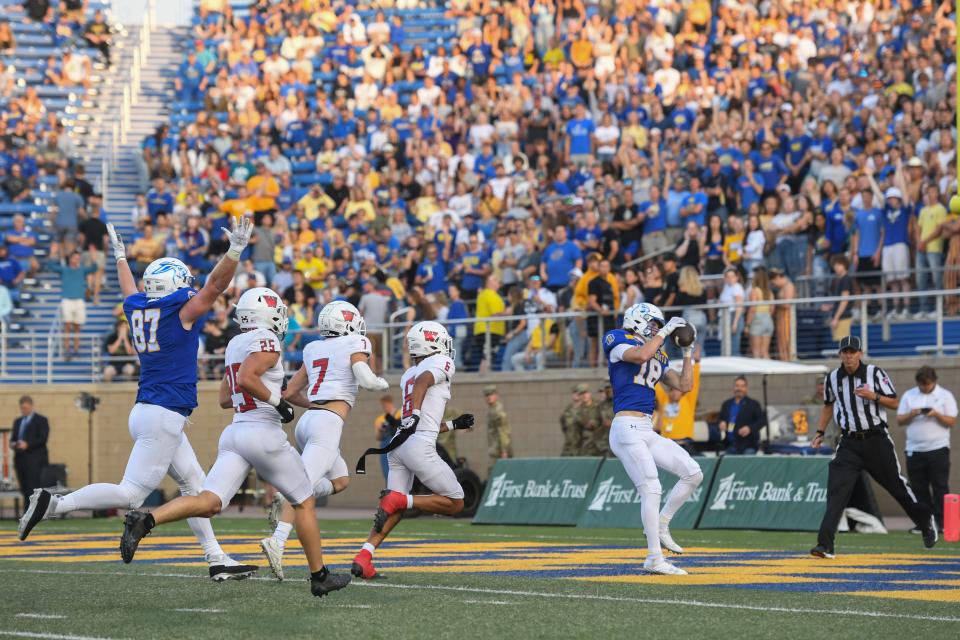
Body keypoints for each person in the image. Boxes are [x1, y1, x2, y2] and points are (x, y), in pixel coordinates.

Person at [19, 218, 257, 582]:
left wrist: (120, 257)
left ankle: (216, 558)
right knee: (131, 495)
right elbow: (215, 286)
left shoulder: (138, 309)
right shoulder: (180, 313)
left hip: (151, 410)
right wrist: (235, 251)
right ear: (175, 287)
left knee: (195, 486)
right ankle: (55, 504)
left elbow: (130, 289)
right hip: (163, 414)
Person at [118, 288, 352, 597]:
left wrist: (263, 391)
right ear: (266, 315)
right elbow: (245, 379)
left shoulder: (234, 343)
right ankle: (319, 576)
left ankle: (146, 520)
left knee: (209, 501)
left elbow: (226, 398)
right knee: (304, 500)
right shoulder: (265, 342)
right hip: (263, 432)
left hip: (235, 432)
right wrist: (278, 402)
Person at [259, 300, 388, 581]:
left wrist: (314, 407)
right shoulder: (356, 342)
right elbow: (363, 376)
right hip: (327, 424)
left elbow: (290, 392)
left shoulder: (314, 347)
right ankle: (278, 540)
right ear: (349, 323)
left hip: (309, 422)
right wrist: (378, 382)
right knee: (302, 490)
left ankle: (284, 497)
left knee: (341, 480)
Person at [350, 321, 474, 580]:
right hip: (418, 446)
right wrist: (416, 414)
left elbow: (423, 420)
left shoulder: (409, 372)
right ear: (433, 342)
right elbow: (424, 383)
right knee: (456, 502)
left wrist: (452, 424)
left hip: (399, 446)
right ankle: (401, 498)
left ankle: (364, 557)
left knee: (393, 509)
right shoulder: (438, 364)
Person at [811, 335, 938, 558]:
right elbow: (828, 406)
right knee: (836, 491)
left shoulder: (875, 374)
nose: (849, 356)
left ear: (860, 353)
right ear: (840, 354)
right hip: (849, 442)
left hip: (875, 440)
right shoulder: (832, 378)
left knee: (897, 487)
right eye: (845, 352)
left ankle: (925, 520)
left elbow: (896, 402)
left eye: (853, 352)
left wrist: (874, 396)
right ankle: (825, 545)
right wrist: (819, 433)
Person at [603, 303, 703, 575]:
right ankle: (654, 558)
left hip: (646, 429)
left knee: (693, 473)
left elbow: (684, 386)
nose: (657, 329)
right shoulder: (616, 337)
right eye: (654, 324)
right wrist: (668, 330)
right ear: (638, 320)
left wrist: (687, 352)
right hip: (625, 426)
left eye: (660, 325)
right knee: (651, 487)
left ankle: (662, 523)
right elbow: (639, 355)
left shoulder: (657, 352)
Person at [896, 366, 956, 532]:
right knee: (918, 488)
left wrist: (936, 414)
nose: (924, 388)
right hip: (914, 450)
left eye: (927, 385)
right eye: (921, 385)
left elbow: (951, 421)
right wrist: (912, 414)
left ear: (934, 382)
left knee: (940, 487)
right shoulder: (909, 395)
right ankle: (925, 523)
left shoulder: (945, 396)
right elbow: (900, 420)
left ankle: (942, 523)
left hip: (938, 448)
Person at [46, 249, 97, 359]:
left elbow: (94, 268)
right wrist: (52, 254)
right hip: (67, 300)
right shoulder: (64, 269)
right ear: (70, 259)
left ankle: (76, 350)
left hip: (79, 300)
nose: (77, 259)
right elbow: (51, 266)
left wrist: (93, 257)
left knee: (77, 327)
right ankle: (67, 350)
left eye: (78, 258)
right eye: (75, 257)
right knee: (67, 326)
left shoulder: (82, 270)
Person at [654, 359, 701, 455]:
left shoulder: (688, 400)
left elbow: (695, 384)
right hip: (667, 443)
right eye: (672, 390)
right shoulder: (664, 399)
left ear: (682, 392)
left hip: (685, 444)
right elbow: (655, 385)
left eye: (677, 390)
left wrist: (696, 364)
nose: (674, 392)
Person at [10, 396, 49, 506]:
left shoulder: (41, 420)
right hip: (20, 460)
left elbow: (43, 438)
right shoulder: (18, 421)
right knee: (24, 488)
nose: (24, 410)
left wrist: (27, 444)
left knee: (33, 488)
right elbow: (13, 438)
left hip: (35, 460)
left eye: (26, 408)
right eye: (22, 408)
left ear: (31, 406)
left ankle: (33, 513)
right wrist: (14, 444)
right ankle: (26, 513)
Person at [746, 266, 774, 359]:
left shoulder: (754, 291)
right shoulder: (769, 292)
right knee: (765, 352)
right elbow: (772, 309)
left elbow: (752, 309)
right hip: (768, 320)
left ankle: (757, 373)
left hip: (757, 320)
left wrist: (747, 325)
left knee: (756, 352)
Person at [484, 385, 513, 472]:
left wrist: (504, 451)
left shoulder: (497, 412)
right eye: (487, 395)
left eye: (491, 395)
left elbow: (503, 431)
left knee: (496, 473)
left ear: (496, 395)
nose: (489, 397)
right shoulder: (491, 410)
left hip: (499, 450)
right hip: (494, 448)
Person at [769, 268, 795, 361]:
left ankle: (787, 360)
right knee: (780, 342)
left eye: (774, 282)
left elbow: (787, 304)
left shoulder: (789, 286)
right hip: (780, 318)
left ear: (778, 278)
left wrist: (775, 302)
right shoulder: (782, 288)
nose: (774, 285)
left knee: (785, 341)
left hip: (786, 318)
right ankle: (783, 359)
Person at [373, 395, 401, 481]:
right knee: (387, 472)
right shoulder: (380, 419)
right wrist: (381, 430)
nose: (385, 408)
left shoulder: (401, 414)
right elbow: (377, 437)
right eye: (383, 406)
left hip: (399, 446)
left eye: (386, 405)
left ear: (391, 403)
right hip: (386, 448)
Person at [575, 383, 603, 456]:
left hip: (602, 445)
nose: (584, 395)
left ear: (589, 393)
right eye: (581, 393)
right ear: (579, 396)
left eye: (586, 393)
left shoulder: (599, 406)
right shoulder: (578, 411)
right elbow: (585, 425)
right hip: (587, 447)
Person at [560, 384, 585, 456]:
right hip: (569, 447)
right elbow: (564, 427)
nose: (576, 394)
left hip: (582, 447)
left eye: (578, 392)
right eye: (574, 392)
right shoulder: (567, 410)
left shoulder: (586, 409)